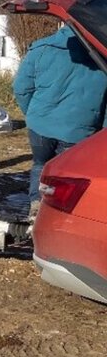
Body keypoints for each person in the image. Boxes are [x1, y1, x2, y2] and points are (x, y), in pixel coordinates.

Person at [13, 23, 107, 216]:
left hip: (40, 125)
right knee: (67, 176)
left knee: (40, 164)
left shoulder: (42, 48)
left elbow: (21, 87)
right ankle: (55, 215)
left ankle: (37, 205)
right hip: (79, 130)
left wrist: (31, 113)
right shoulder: (100, 57)